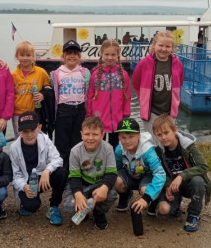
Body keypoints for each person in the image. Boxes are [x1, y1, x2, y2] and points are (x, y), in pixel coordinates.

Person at [152, 114, 211, 232]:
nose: (163, 137)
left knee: (198, 181)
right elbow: (160, 171)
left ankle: (194, 214)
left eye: (166, 133)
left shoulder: (189, 147)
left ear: (175, 130)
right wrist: (167, 186)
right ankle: (176, 205)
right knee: (163, 210)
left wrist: (181, 176)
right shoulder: (159, 151)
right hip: (174, 186)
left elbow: (203, 167)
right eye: (159, 135)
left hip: (190, 184)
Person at [10, 111, 66, 226]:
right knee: (31, 207)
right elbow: (15, 175)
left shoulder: (45, 139)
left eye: (32, 130)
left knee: (61, 173)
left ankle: (54, 206)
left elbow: (58, 159)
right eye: (25, 131)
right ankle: (25, 202)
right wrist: (24, 186)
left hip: (41, 177)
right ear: (20, 131)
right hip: (27, 181)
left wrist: (47, 170)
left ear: (39, 127)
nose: (29, 134)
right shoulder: (13, 148)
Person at [63, 117, 118, 230]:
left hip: (99, 184)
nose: (91, 138)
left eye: (95, 134)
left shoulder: (108, 148)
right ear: (81, 134)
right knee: (69, 206)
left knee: (112, 194)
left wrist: (105, 187)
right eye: (87, 134)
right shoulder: (75, 151)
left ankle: (98, 212)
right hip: (82, 184)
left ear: (102, 135)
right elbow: (74, 176)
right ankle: (85, 211)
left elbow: (112, 173)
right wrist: (78, 194)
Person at [132, 30, 184, 142]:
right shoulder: (144, 63)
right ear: (154, 45)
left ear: (172, 48)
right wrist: (144, 99)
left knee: (168, 140)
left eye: (168, 46)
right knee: (153, 141)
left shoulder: (177, 64)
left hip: (169, 112)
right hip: (151, 111)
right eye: (160, 45)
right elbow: (136, 82)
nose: (163, 49)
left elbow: (180, 81)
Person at [50, 40, 91, 172]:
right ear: (63, 56)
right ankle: (62, 173)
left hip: (80, 110)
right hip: (63, 111)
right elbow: (52, 90)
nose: (72, 56)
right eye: (69, 53)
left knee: (77, 142)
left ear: (79, 57)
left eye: (75, 53)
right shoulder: (56, 73)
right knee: (62, 143)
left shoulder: (85, 72)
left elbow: (89, 92)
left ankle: (76, 171)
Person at [114, 117, 166, 216]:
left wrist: (146, 198)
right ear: (119, 137)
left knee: (145, 190)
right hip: (130, 175)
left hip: (147, 177)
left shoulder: (148, 151)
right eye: (123, 137)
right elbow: (117, 168)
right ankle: (126, 195)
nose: (127, 141)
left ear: (138, 135)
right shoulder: (119, 150)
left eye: (131, 137)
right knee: (116, 180)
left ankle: (153, 200)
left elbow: (160, 174)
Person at [87, 39, 131, 149]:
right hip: (98, 117)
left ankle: (114, 160)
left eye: (113, 54)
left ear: (118, 55)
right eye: (106, 54)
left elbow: (127, 96)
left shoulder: (123, 75)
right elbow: (90, 96)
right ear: (101, 54)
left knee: (114, 145)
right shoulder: (95, 74)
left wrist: (126, 114)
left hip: (117, 118)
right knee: (98, 145)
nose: (110, 57)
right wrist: (89, 115)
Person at [11, 41, 50, 139]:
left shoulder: (41, 72)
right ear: (17, 56)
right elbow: (9, 94)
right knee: (20, 139)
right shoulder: (13, 75)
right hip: (18, 113)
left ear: (33, 56)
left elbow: (49, 89)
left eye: (28, 55)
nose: (25, 58)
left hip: (35, 112)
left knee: (37, 139)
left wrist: (43, 95)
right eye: (22, 55)